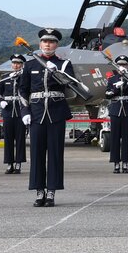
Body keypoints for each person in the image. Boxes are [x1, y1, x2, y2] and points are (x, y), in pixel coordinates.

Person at [18, 28, 81, 207]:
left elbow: (71, 85)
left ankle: (51, 190)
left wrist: (58, 73)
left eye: (51, 42)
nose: (48, 44)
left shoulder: (64, 64)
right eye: (45, 41)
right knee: (36, 153)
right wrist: (25, 112)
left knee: (55, 153)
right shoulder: (30, 65)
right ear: (40, 44)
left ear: (56, 45)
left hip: (56, 112)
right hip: (36, 113)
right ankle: (39, 190)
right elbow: (23, 90)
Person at [106, 54, 128, 174]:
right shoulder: (112, 79)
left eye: (124, 64)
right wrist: (115, 89)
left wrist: (127, 80)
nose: (122, 66)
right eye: (120, 64)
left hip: (127, 108)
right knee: (114, 137)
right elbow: (107, 94)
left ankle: (125, 162)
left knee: (126, 137)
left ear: (127, 65)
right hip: (115, 109)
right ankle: (115, 163)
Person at [0, 54, 28, 174]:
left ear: (22, 65)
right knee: (8, 138)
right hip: (8, 111)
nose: (16, 65)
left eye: (19, 63)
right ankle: (9, 163)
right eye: (14, 63)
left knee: (20, 138)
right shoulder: (5, 77)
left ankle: (19, 163)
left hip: (20, 110)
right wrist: (2, 102)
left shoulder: (25, 77)